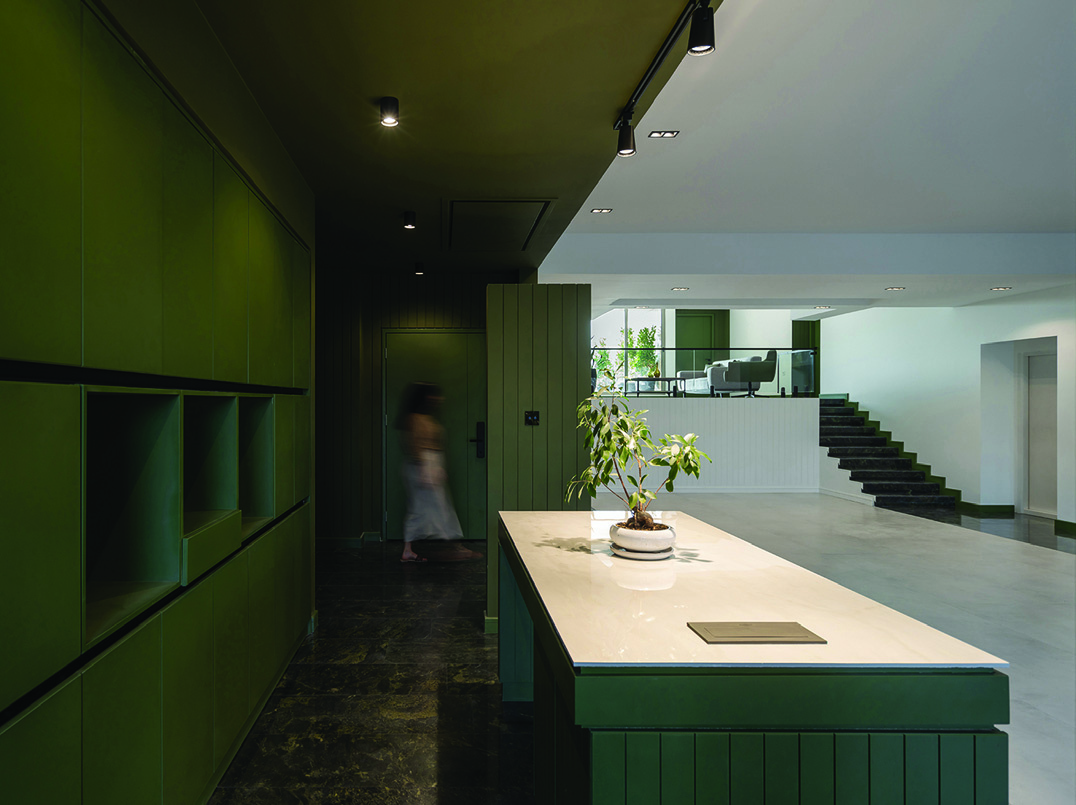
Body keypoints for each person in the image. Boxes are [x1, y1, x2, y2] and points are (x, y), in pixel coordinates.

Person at [395, 382, 479, 562]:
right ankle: (411, 550)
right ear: (423, 398)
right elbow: (414, 444)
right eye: (433, 395)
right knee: (423, 507)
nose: (437, 399)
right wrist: (425, 468)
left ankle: (449, 545)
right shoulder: (414, 418)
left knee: (439, 506)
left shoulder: (425, 417)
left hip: (429, 464)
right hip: (422, 465)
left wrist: (436, 467)